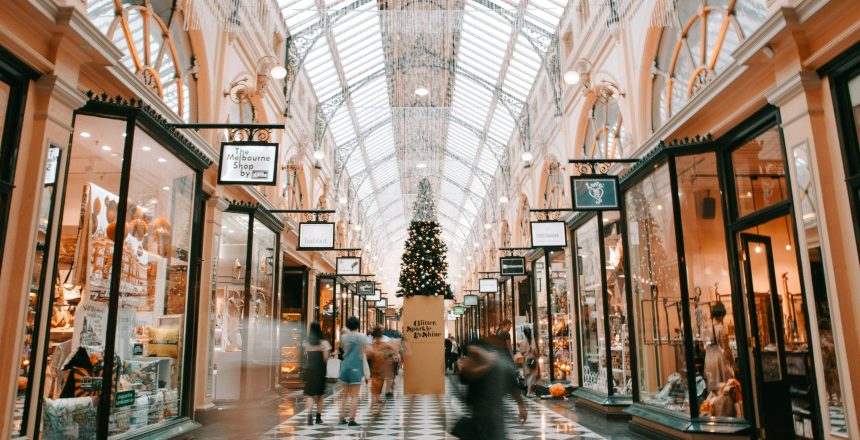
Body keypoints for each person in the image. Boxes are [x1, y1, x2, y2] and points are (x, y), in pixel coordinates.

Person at [454, 338, 527, 439]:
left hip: (493, 413)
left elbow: (511, 385)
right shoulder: (476, 366)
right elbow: (468, 375)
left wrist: (521, 405)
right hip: (480, 413)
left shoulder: (497, 365)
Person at [338, 316, 368, 426]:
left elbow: (340, 349)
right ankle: (351, 419)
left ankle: (341, 418)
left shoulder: (343, 337)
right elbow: (365, 349)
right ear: (358, 325)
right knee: (354, 396)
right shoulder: (362, 337)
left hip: (344, 366)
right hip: (355, 366)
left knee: (344, 395)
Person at [302, 322, 330, 425]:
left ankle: (309, 414)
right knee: (320, 395)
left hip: (310, 370)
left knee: (310, 394)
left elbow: (305, 355)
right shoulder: (324, 343)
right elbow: (325, 358)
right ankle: (318, 418)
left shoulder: (306, 342)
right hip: (320, 371)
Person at [367, 326, 395, 416]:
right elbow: (368, 356)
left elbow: (393, 350)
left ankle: (375, 408)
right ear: (375, 337)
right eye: (377, 337)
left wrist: (388, 356)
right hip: (374, 371)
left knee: (377, 390)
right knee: (375, 390)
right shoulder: (372, 345)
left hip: (381, 371)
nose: (379, 339)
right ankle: (375, 409)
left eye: (380, 337)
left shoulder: (384, 345)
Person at [520, 326, 539, 397]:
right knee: (532, 375)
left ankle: (528, 391)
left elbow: (522, 352)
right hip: (532, 359)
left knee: (528, 375)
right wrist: (537, 355)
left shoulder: (522, 342)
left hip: (526, 359)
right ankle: (529, 392)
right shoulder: (532, 341)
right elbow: (534, 350)